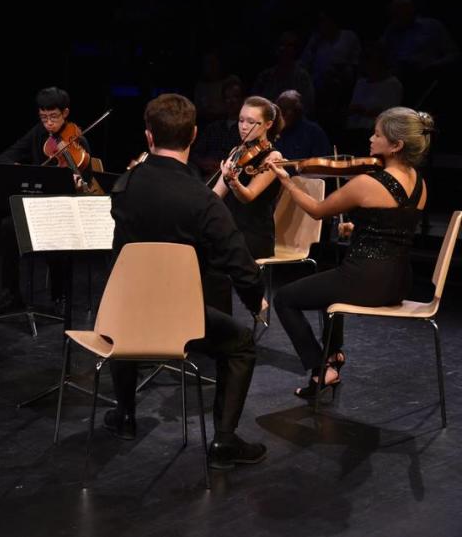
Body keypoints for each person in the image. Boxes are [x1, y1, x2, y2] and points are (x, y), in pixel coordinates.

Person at [107, 93, 267, 470]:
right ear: (194, 135)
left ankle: (126, 416)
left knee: (127, 319)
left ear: (149, 137)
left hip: (124, 315)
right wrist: (255, 299)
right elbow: (240, 263)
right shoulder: (202, 199)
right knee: (241, 344)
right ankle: (224, 442)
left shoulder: (125, 186)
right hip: (181, 321)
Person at [271, 108, 432, 398]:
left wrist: (286, 181)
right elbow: (391, 227)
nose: (371, 138)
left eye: (378, 134)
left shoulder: (365, 183)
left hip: (365, 281)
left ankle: (321, 368)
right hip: (398, 283)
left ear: (396, 145)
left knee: (284, 299)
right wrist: (356, 228)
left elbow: (318, 211)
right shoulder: (420, 184)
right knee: (327, 285)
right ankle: (334, 354)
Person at [0, 86, 89, 316]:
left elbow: (88, 174)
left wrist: (78, 181)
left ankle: (59, 295)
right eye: (44, 117)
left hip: (62, 210)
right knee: (7, 227)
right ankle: (11, 295)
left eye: (54, 117)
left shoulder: (76, 138)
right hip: (35, 207)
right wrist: (16, 167)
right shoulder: (36, 133)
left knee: (57, 234)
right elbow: (5, 156)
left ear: (66, 113)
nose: (49, 123)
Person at [211, 96, 284, 259]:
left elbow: (248, 196)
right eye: (241, 120)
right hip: (231, 229)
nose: (243, 127)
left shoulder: (273, 157)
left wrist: (234, 181)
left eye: (251, 122)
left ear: (268, 124)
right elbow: (216, 194)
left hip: (253, 234)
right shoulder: (237, 151)